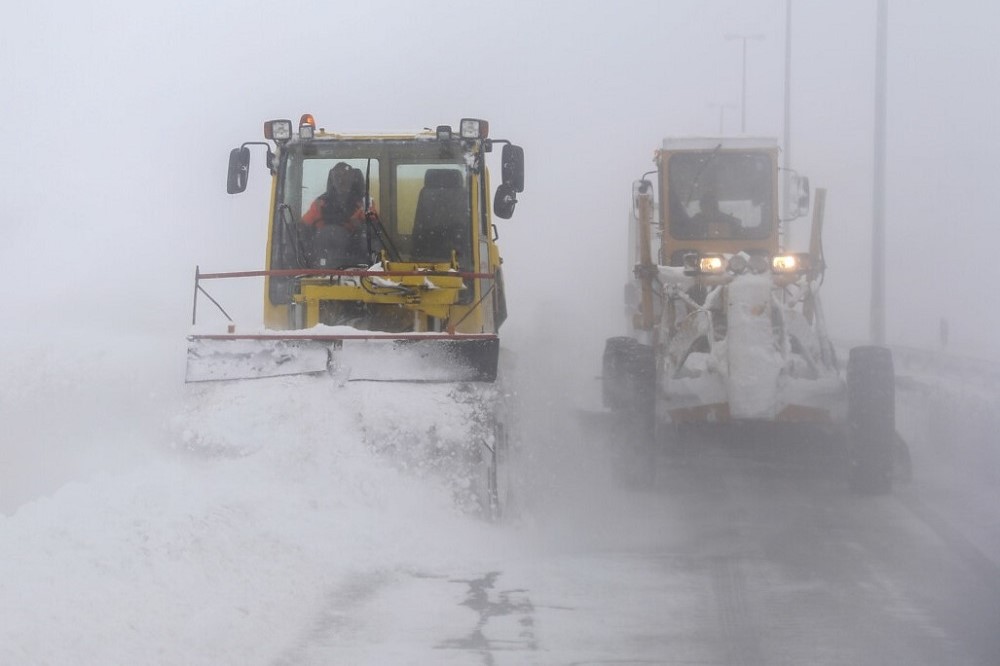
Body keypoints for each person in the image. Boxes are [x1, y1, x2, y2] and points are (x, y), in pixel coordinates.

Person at [301, 162, 371, 268]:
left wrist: (361, 227)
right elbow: (302, 228)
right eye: (337, 176)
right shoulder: (320, 203)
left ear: (353, 177)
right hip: (322, 261)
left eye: (345, 176)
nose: (341, 180)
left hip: (356, 260)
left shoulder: (365, 203)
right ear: (332, 179)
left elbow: (375, 232)